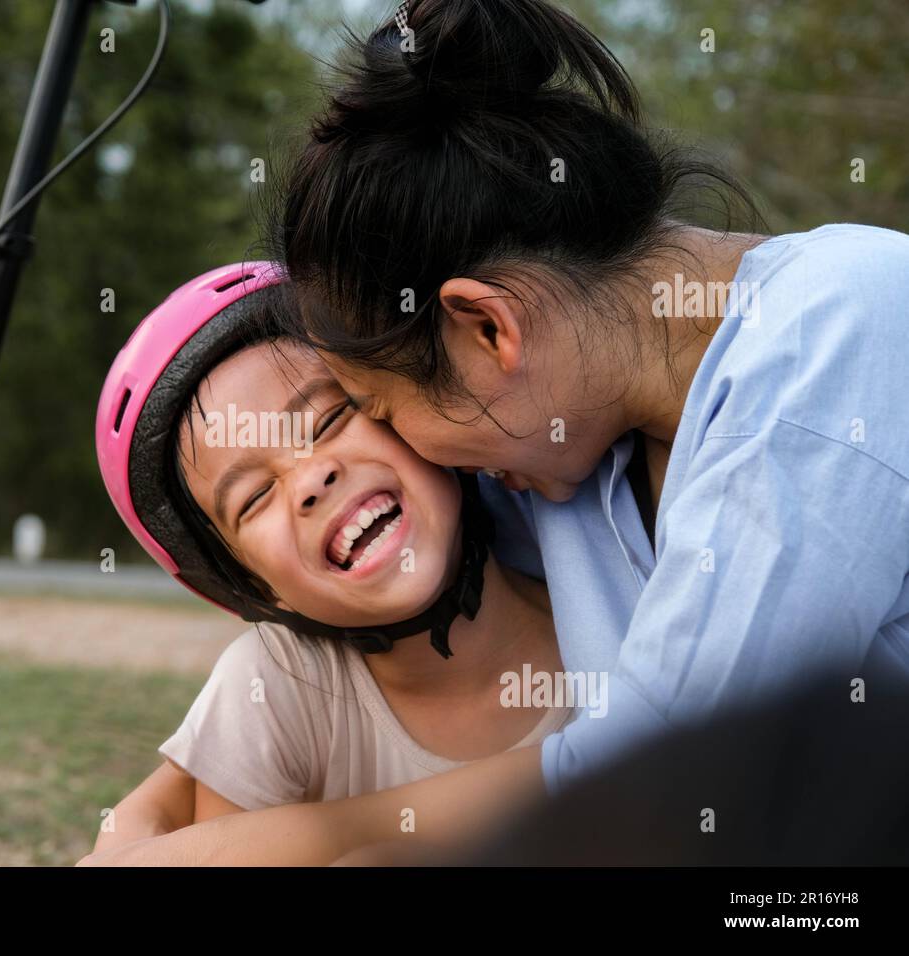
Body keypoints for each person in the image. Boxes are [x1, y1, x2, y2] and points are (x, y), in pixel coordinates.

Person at [79, 0, 909, 865]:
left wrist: (248, 848)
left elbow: (662, 782)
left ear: (488, 331)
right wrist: (148, 814)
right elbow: (379, 598)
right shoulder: (570, 453)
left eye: (382, 412)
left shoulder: (843, 326)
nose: (414, 452)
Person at [89, 263, 568, 857]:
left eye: (331, 419)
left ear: (412, 407)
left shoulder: (613, 612)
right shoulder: (275, 688)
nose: (311, 479)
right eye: (256, 497)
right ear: (255, 589)